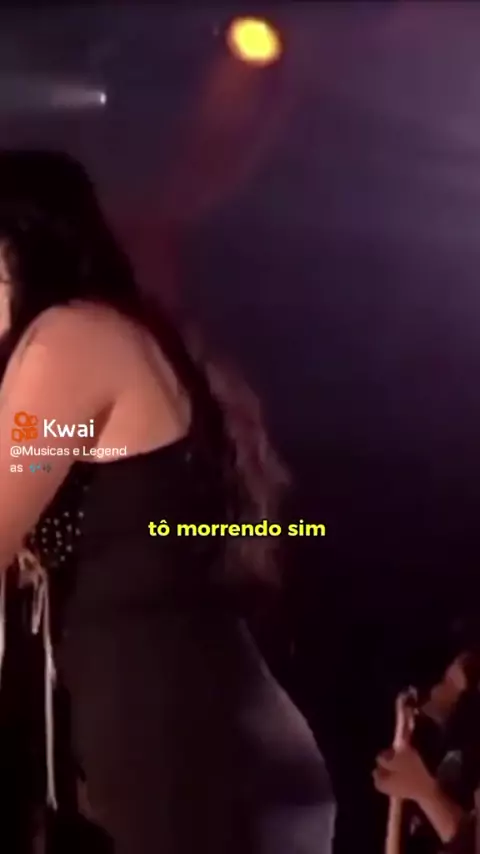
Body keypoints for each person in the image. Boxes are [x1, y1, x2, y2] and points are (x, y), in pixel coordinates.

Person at [0, 149, 335, 853]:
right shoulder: (102, 339)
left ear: (14, 250)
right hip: (196, 743)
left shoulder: (67, 341)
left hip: (188, 753)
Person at [373, 629, 480, 853]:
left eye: (447, 682)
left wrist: (424, 792)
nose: (435, 690)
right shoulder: (442, 756)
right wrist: (401, 746)